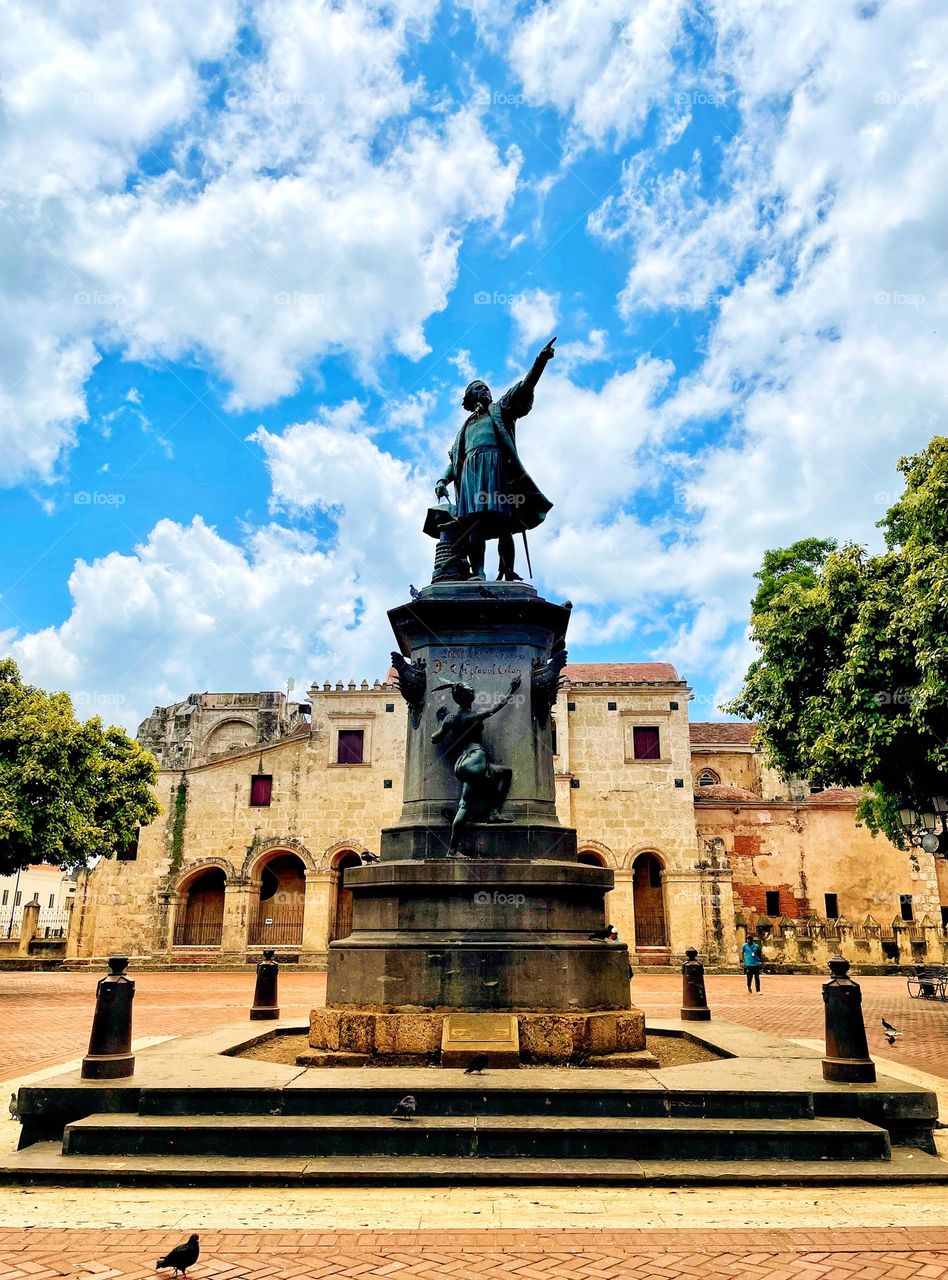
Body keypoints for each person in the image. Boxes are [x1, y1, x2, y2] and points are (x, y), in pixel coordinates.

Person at [435, 339, 556, 581]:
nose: (486, 391)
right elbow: (454, 460)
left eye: (487, 388)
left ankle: (507, 570)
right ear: (471, 397)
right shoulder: (464, 429)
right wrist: (443, 479)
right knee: (473, 524)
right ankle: (478, 572)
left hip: (495, 468)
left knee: (504, 522)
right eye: (481, 388)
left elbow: (523, 388)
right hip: (470, 474)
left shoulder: (500, 409)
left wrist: (540, 362)